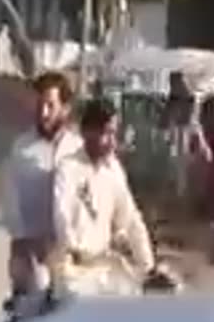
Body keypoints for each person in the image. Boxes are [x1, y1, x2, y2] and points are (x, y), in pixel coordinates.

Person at [51, 99, 156, 297]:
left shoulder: (113, 170)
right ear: (87, 132)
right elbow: (61, 214)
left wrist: (147, 265)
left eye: (113, 133)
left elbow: (131, 218)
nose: (111, 141)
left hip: (105, 268)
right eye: (105, 133)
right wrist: (73, 248)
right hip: (75, 272)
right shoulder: (69, 167)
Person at [2, 71, 83, 295]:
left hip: (69, 255)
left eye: (50, 106)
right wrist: (24, 241)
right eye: (39, 106)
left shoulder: (78, 149)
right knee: (36, 288)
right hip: (29, 252)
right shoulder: (22, 148)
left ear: (65, 108)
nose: (44, 113)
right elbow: (10, 202)